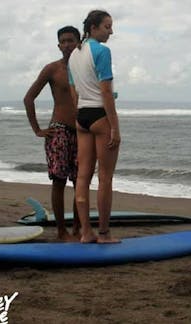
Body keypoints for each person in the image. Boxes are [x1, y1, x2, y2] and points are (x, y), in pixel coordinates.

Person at [24, 26, 81, 242]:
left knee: (81, 182)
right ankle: (61, 230)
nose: (67, 44)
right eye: (63, 41)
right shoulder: (52, 69)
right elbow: (29, 98)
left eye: (71, 40)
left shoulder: (86, 68)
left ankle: (77, 228)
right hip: (59, 132)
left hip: (83, 132)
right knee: (59, 181)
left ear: (79, 42)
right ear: (58, 45)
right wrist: (37, 129)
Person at [68, 10, 121, 243]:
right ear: (94, 27)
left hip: (81, 116)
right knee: (105, 178)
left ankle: (85, 232)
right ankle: (104, 233)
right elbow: (106, 91)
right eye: (107, 27)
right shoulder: (102, 51)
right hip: (100, 115)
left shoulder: (73, 56)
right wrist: (115, 127)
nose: (111, 31)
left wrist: (79, 115)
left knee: (82, 177)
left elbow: (74, 92)